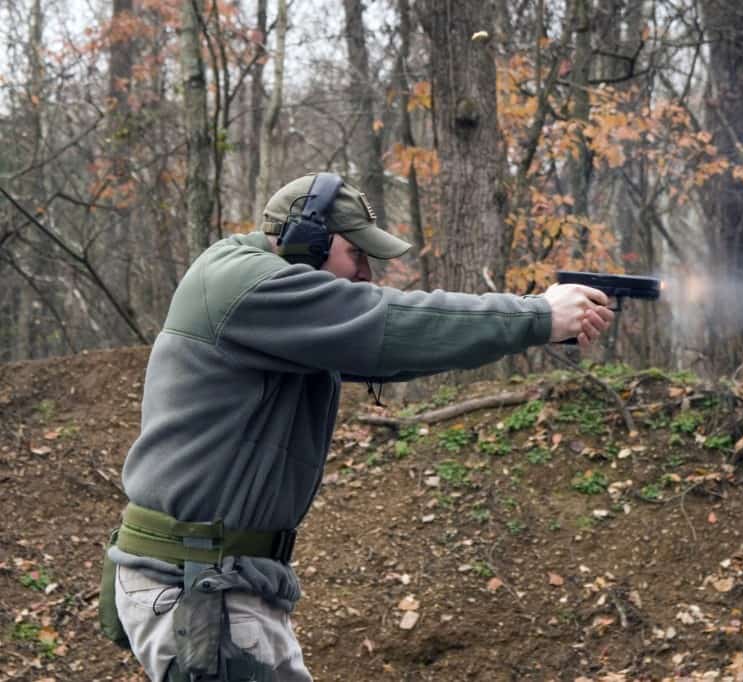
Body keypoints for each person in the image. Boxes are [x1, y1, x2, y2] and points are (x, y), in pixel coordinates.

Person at [100, 172, 614, 681]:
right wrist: (537, 315)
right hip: (196, 581)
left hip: (226, 579)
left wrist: (531, 323)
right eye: (356, 254)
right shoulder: (246, 283)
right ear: (306, 242)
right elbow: (387, 325)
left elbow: (395, 350)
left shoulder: (265, 297)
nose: (367, 272)